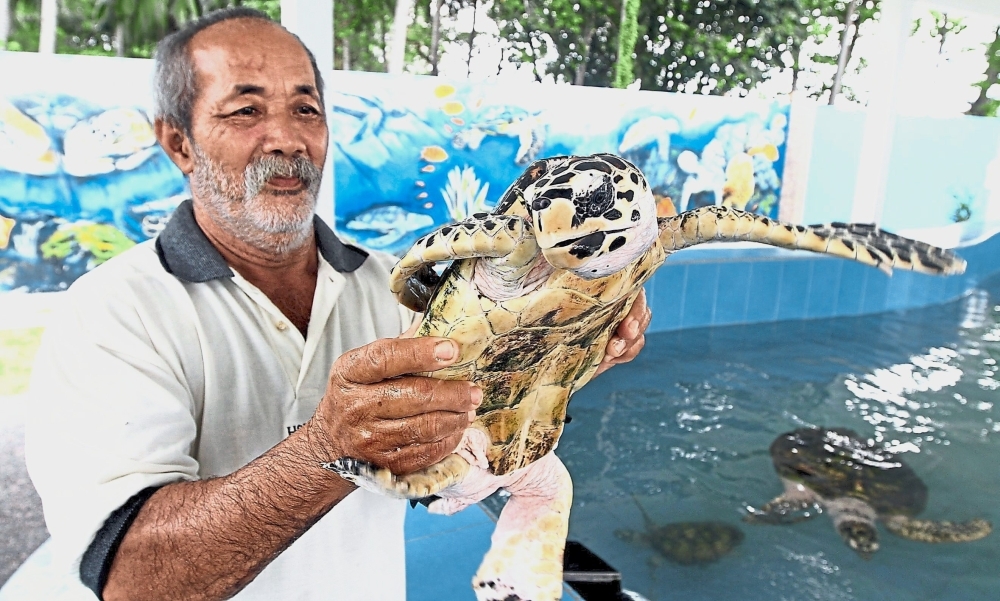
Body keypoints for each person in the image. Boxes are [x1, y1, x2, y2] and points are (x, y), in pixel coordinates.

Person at [24, 7, 651, 601]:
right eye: (245, 110)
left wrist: (569, 344)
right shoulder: (111, 313)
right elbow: (134, 579)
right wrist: (328, 448)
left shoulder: (394, 288)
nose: (287, 139)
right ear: (178, 142)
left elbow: (457, 454)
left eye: (306, 109)